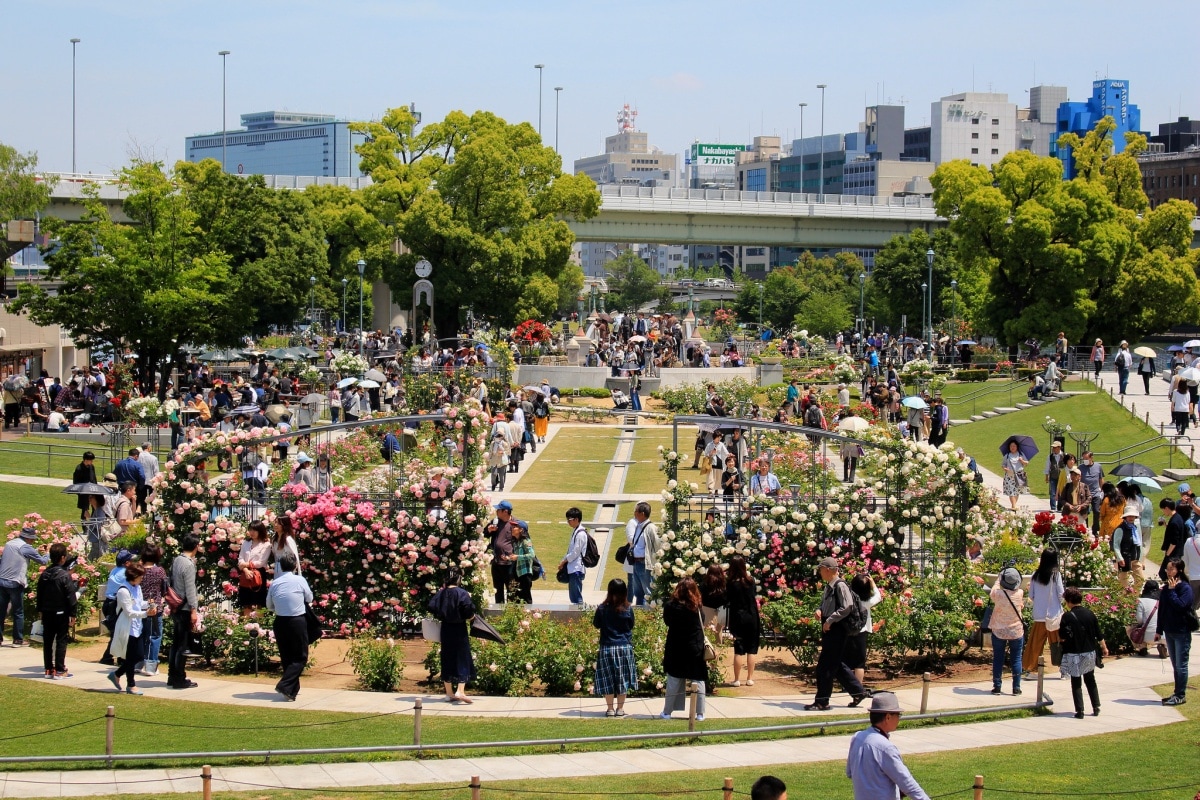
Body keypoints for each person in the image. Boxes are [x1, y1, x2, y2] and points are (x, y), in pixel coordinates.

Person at [807, 557, 868, 710]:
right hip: (830, 628)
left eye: (821, 569)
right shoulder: (830, 586)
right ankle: (858, 692)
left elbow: (847, 606)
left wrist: (830, 620)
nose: (820, 572)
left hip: (837, 629)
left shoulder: (840, 585)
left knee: (825, 667)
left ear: (828, 569)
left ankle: (822, 701)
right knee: (836, 664)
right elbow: (826, 604)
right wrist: (820, 610)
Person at [845, 692, 930, 800]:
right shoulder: (886, 748)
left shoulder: (857, 737)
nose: (899, 719)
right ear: (888, 717)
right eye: (898, 715)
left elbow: (850, 772)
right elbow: (907, 783)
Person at [266, 551, 314, 701]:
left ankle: (291, 691)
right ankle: (285, 685)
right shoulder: (299, 580)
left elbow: (269, 605)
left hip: (280, 622)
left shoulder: (275, 583)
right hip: (296, 621)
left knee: (287, 657)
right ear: (294, 565)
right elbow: (309, 597)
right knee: (300, 657)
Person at [660, 577, 708, 721]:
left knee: (674, 679)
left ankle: (667, 712)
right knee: (698, 680)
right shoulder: (697, 607)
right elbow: (703, 622)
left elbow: (667, 621)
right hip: (695, 647)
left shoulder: (670, 606)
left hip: (676, 647)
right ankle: (700, 713)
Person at [107, 562, 158, 696]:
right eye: (140, 576)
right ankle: (131, 684)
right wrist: (146, 614)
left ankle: (117, 674)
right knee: (131, 656)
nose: (142, 579)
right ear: (134, 576)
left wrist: (149, 603)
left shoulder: (137, 588)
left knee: (138, 655)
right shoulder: (123, 590)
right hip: (127, 627)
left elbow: (139, 603)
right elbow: (129, 611)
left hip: (137, 626)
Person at [428, 567, 476, 704]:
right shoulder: (462, 593)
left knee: (447, 657)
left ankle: (449, 693)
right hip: (459, 628)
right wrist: (471, 617)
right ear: (459, 578)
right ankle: (460, 690)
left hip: (446, 628)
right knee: (462, 657)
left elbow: (431, 606)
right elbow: (468, 609)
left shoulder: (441, 593)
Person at [1058, 586, 1107, 718]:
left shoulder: (1067, 616)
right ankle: (1096, 706)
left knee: (1076, 681)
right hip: (1089, 652)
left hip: (1073, 653)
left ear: (1068, 601)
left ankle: (1080, 710)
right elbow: (1099, 633)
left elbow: (1062, 636)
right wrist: (1104, 647)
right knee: (1090, 679)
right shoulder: (1090, 614)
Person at [593, 578, 637, 716]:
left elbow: (596, 624)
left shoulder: (602, 608)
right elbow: (631, 625)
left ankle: (610, 709)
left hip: (607, 647)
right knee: (622, 679)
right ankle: (620, 708)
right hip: (624, 647)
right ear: (625, 592)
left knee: (608, 679)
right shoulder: (628, 608)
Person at [0, 525, 49, 647]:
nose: (33, 541)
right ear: (28, 538)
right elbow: (43, 561)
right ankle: (18, 640)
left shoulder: (9, 544)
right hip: (15, 582)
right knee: (18, 612)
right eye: (32, 539)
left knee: (1, 611)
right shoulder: (26, 547)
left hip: (2, 581)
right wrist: (48, 553)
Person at [36, 543, 78, 680]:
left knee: (47, 640)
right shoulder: (64, 575)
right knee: (61, 640)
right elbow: (70, 596)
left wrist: (40, 610)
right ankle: (60, 669)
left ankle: (48, 668)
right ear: (63, 558)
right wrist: (73, 614)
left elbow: (39, 594)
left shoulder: (45, 574)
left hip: (47, 611)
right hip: (61, 612)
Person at [1156, 557, 1195, 706]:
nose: (1168, 571)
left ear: (1179, 570)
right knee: (1175, 664)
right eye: (1167, 568)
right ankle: (1177, 692)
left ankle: (1180, 694)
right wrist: (1159, 630)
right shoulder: (1166, 589)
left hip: (1181, 631)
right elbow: (1162, 610)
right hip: (1169, 631)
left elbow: (1181, 606)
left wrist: (1172, 591)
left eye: (1171, 569)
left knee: (1181, 665)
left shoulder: (1185, 588)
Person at [1023, 549, 1065, 673]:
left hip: (1039, 615)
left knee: (1035, 645)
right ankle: (1063, 669)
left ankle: (1030, 668)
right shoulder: (1056, 575)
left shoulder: (1035, 575)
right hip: (1054, 616)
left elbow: (1031, 595)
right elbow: (1061, 594)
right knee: (1057, 644)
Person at [167, 533, 200, 690]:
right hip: (185, 607)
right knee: (183, 645)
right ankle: (179, 678)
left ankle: (172, 675)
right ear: (195, 547)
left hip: (175, 605)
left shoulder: (176, 560)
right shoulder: (188, 564)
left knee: (176, 642)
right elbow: (190, 589)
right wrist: (194, 609)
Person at [989, 567, 1025, 696]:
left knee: (998, 658)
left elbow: (993, 590)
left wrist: (999, 578)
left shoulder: (998, 594)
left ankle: (997, 686)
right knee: (1016, 659)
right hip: (1015, 630)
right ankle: (1016, 687)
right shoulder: (1019, 593)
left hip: (999, 629)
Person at [725, 555, 760, 687]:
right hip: (752, 616)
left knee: (738, 649)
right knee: (752, 648)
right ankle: (750, 678)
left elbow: (727, 599)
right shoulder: (750, 581)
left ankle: (736, 679)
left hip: (738, 617)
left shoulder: (731, 583)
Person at [848, 573, 882, 695]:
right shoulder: (866, 603)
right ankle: (857, 688)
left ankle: (846, 685)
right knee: (859, 663)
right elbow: (878, 596)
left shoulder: (849, 601)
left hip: (848, 631)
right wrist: (873, 583)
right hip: (862, 632)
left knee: (845, 660)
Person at [137, 544, 167, 676]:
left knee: (140, 635)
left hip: (139, 607)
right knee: (154, 635)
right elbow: (164, 589)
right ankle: (151, 665)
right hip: (155, 607)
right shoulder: (159, 571)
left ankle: (138, 663)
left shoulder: (139, 570)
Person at [626, 501, 660, 607]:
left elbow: (658, 545)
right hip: (636, 563)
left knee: (648, 592)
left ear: (642, 514)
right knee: (638, 592)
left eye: (636, 511)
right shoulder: (638, 526)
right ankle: (639, 613)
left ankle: (649, 614)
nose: (634, 513)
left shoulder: (651, 528)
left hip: (644, 564)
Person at [237, 520, 272, 608]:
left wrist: (246, 564)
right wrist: (245, 570)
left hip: (258, 574)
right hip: (246, 573)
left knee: (259, 602)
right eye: (250, 530)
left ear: (260, 531)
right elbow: (240, 559)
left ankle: (259, 621)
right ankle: (246, 621)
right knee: (246, 602)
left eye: (254, 530)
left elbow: (261, 562)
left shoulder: (266, 545)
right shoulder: (246, 542)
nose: (252, 532)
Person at [487, 500, 516, 604]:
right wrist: (489, 531)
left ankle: (510, 613)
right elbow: (484, 534)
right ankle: (498, 613)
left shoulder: (515, 524)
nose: (496, 511)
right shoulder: (494, 522)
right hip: (496, 562)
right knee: (497, 590)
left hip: (509, 564)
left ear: (505, 511)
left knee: (511, 590)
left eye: (498, 509)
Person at [559, 507, 588, 606]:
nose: (568, 522)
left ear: (576, 519)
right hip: (573, 567)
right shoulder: (576, 531)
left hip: (577, 568)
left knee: (576, 596)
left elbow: (575, 552)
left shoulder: (580, 534)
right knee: (573, 594)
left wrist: (564, 561)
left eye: (569, 520)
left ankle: (579, 613)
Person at [1113, 503, 1145, 593]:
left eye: (1133, 516)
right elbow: (1116, 545)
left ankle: (1134, 596)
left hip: (1135, 558)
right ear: (1125, 517)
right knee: (1123, 583)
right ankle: (1125, 601)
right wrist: (1119, 558)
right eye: (1129, 516)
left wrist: (1141, 559)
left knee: (1140, 579)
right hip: (1125, 558)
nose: (1131, 518)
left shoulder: (1134, 528)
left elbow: (1139, 544)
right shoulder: (1120, 529)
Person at [1131, 580, 1167, 659]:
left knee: (1130, 628)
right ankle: (1164, 646)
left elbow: (1139, 619)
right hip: (1163, 635)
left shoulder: (1142, 601)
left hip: (1147, 637)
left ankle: (1142, 647)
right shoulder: (1162, 600)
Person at [510, 520, 535, 604]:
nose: (512, 529)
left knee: (526, 598)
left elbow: (531, 555)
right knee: (517, 598)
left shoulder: (525, 541)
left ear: (521, 530)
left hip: (525, 573)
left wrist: (518, 557)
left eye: (514, 527)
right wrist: (509, 558)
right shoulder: (516, 542)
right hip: (518, 573)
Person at [1001, 440, 1028, 510]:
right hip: (1009, 475)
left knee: (1017, 491)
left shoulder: (1021, 454)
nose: (1012, 447)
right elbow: (1003, 465)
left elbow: (1026, 463)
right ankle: (1013, 505)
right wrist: (1005, 469)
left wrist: (1022, 461)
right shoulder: (1007, 455)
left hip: (1019, 475)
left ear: (1017, 447)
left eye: (1014, 446)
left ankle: (1014, 504)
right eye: (1011, 446)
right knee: (1011, 490)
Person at [73, 451, 99, 522]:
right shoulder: (79, 468)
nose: (92, 462)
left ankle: (93, 524)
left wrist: (96, 488)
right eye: (91, 460)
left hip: (92, 490)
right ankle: (85, 527)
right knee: (84, 510)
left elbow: (94, 478)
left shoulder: (91, 467)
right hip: (83, 492)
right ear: (86, 460)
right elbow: (76, 482)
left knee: (95, 507)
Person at [1044, 442, 1066, 512]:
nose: (1053, 449)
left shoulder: (1065, 455)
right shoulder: (1050, 457)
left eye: (1055, 447)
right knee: (1053, 492)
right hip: (1053, 476)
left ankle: (1059, 507)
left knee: (1061, 492)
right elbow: (1047, 467)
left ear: (1059, 447)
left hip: (1062, 477)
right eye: (1053, 447)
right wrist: (1046, 476)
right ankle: (1053, 507)